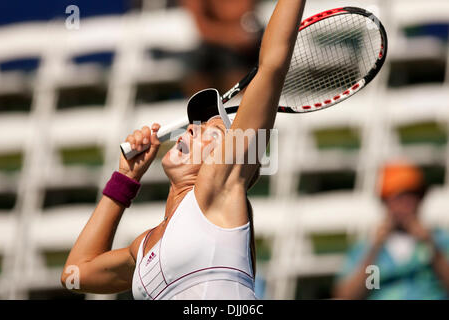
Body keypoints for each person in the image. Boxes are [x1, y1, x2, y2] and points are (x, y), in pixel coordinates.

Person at [61, 0, 306, 300]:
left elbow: (271, 65)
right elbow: (76, 273)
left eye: (211, 131)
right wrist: (125, 178)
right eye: (196, 124)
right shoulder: (147, 244)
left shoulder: (220, 186)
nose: (192, 128)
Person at [333, 161, 449, 300]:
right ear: (385, 202)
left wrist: (432, 247)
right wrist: (374, 250)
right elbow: (349, 296)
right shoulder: (367, 248)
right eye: (399, 197)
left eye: (413, 196)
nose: (406, 204)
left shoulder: (441, 240)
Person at [180, 0, 263, 96]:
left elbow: (242, 11)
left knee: (245, 89)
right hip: (212, 49)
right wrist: (232, 34)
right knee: (198, 83)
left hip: (242, 50)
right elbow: (202, 27)